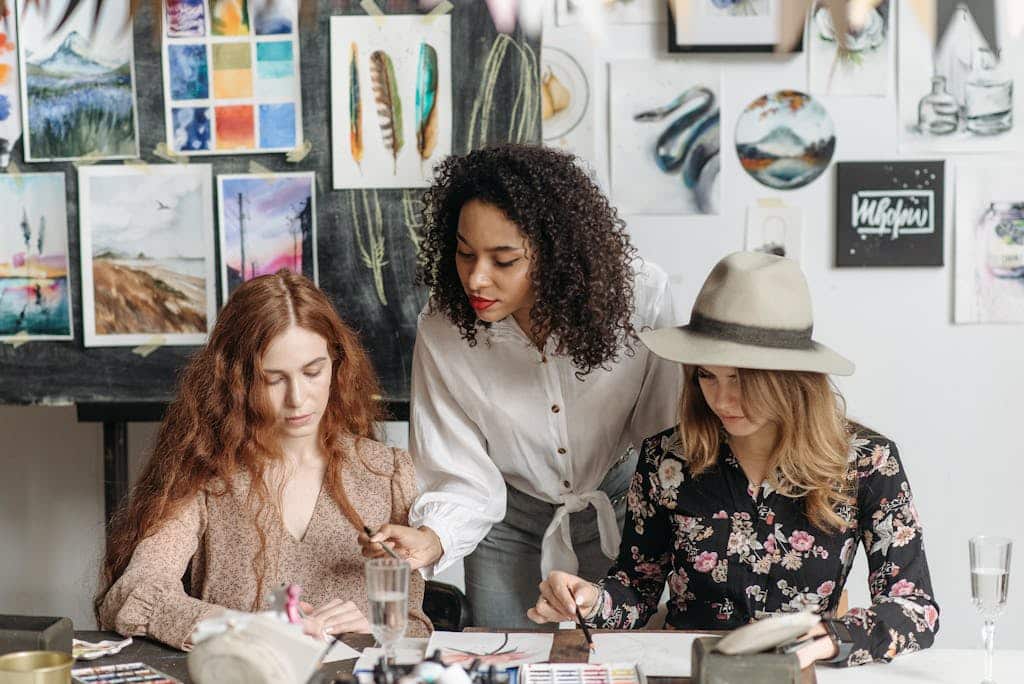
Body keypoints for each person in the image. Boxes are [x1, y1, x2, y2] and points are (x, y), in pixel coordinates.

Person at [528, 251, 939, 668]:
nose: (721, 400)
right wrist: (590, 600)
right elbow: (636, 589)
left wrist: (832, 640)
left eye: (741, 380)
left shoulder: (868, 462)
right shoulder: (664, 460)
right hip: (689, 671)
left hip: (799, 672)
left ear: (793, 378)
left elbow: (916, 610)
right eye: (707, 375)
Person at [359, 144, 682, 626]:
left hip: (622, 512)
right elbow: (459, 471)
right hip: (504, 523)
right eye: (465, 254)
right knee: (502, 661)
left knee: (614, 665)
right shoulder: (444, 330)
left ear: (556, 254)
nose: (476, 278)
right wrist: (432, 538)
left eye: (504, 260)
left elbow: (667, 430)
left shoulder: (640, 300)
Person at [95, 271, 431, 650]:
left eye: (313, 371)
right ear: (237, 380)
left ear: (337, 364)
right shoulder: (207, 473)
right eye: (274, 379)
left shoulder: (386, 473)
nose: (298, 398)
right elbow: (132, 595)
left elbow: (414, 630)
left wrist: (369, 628)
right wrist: (251, 628)